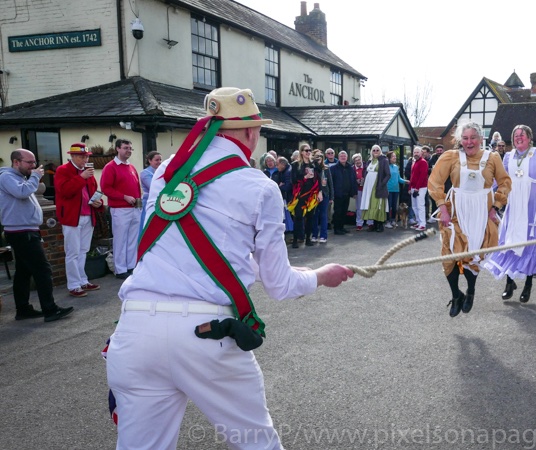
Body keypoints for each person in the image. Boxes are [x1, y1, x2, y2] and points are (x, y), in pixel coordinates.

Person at [106, 87, 353, 450]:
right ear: (251, 133)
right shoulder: (261, 188)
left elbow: (199, 253)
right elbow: (279, 285)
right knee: (257, 444)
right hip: (205, 335)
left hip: (135, 330)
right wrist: (320, 275)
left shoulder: (165, 175)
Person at [428, 121, 511, 317]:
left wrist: (496, 206)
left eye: (473, 137)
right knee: (449, 255)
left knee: (473, 255)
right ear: (459, 140)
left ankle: (471, 292)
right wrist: (443, 207)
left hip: (482, 212)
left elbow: (505, 182)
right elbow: (435, 182)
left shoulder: (493, 157)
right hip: (457, 211)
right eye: (465, 138)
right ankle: (456, 295)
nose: (469, 142)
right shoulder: (451, 156)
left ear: (481, 139)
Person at [484, 124, 536, 303]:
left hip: (533, 207)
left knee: (529, 243)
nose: (518, 137)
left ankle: (528, 284)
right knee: (510, 241)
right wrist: (482, 192)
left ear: (530, 138)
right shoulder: (508, 156)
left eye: (522, 135)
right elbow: (500, 180)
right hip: (514, 206)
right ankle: (509, 282)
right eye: (516, 135)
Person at [0, 149, 74, 322]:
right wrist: (34, 177)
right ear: (16, 162)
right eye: (29, 162)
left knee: (23, 272)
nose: (33, 166)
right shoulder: (6, 177)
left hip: (25, 230)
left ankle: (23, 309)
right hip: (21, 232)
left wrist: (31, 177)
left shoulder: (18, 178)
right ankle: (50, 310)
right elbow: (22, 193)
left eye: (34, 162)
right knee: (43, 270)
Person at [54, 143, 104, 297]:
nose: (85, 159)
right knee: (72, 252)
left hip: (87, 215)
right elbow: (65, 191)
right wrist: (81, 177)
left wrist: (98, 202)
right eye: (82, 157)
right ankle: (74, 285)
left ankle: (83, 281)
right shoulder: (63, 170)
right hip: (71, 217)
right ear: (73, 156)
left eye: (87, 156)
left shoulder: (88, 173)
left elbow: (93, 192)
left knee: (83, 251)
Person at [100, 138, 141, 279]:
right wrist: (124, 196)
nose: (128, 150)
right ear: (117, 149)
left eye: (130, 148)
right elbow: (106, 188)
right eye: (125, 148)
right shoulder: (110, 167)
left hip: (134, 208)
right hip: (120, 209)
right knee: (120, 239)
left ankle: (131, 266)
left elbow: (137, 187)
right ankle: (120, 269)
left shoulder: (131, 167)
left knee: (132, 239)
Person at [288, 142, 322, 248]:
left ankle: (308, 239)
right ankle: (295, 240)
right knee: (298, 217)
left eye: (309, 150)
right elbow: (293, 180)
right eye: (306, 150)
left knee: (310, 217)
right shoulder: (295, 165)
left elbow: (319, 179)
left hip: (312, 194)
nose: (308, 152)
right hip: (300, 194)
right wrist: (305, 177)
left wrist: (320, 192)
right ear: (301, 152)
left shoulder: (314, 164)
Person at [359, 145, 391, 232]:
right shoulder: (369, 161)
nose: (375, 152)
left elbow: (388, 174)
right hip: (368, 187)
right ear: (371, 152)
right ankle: (374, 224)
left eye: (377, 150)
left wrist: (381, 184)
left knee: (378, 205)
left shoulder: (384, 160)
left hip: (378, 186)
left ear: (380, 151)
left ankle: (380, 225)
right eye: (374, 150)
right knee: (371, 205)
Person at [329, 150, 357, 235]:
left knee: (344, 211)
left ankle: (341, 227)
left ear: (347, 157)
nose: (343, 157)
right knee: (338, 212)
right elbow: (331, 182)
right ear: (338, 157)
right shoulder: (333, 168)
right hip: (338, 194)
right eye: (341, 156)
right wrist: (331, 194)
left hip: (347, 193)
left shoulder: (350, 168)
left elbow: (353, 180)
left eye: (344, 156)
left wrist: (354, 192)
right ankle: (337, 229)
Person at [311, 150, 333, 243]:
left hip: (324, 194)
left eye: (320, 156)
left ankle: (323, 235)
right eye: (316, 156)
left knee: (323, 215)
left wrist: (332, 197)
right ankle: (314, 234)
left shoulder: (326, 168)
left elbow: (330, 183)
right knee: (314, 215)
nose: (319, 158)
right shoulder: (311, 168)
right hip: (313, 194)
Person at [139, 151, 162, 233]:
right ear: (149, 160)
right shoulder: (145, 173)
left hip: (159, 204)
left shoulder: (161, 172)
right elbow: (154, 187)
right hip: (149, 203)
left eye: (160, 160)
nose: (159, 162)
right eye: (156, 160)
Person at [409, 146, 429, 231]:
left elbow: (422, 176)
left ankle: (423, 224)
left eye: (417, 152)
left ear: (421, 153)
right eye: (414, 152)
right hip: (413, 187)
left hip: (421, 187)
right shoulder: (414, 162)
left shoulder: (423, 162)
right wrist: (410, 187)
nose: (416, 154)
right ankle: (418, 222)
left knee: (420, 206)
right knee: (414, 206)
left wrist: (417, 188)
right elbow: (412, 176)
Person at [386, 150, 406, 228]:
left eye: (395, 156)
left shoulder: (396, 167)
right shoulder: (386, 167)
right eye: (393, 156)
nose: (395, 157)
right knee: (389, 205)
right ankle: (387, 221)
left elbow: (399, 179)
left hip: (396, 189)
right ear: (389, 158)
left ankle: (393, 220)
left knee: (394, 206)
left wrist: (406, 181)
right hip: (388, 189)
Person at [352, 153, 366, 230]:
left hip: (367, 189)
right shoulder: (352, 169)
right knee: (359, 207)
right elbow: (351, 180)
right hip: (358, 190)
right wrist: (356, 181)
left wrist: (365, 179)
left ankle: (370, 223)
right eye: (356, 160)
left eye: (359, 159)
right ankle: (359, 223)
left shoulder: (366, 167)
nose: (358, 162)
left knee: (368, 206)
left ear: (361, 159)